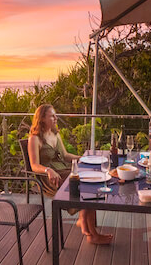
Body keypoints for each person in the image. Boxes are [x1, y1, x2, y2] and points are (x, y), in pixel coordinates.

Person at [28, 104, 113, 245]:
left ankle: (83, 220)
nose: (56, 118)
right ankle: (92, 234)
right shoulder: (35, 139)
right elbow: (34, 165)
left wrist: (84, 158)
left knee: (92, 179)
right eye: (52, 116)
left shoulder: (55, 134)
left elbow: (66, 155)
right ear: (42, 118)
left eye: (55, 115)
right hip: (49, 178)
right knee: (87, 187)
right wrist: (48, 170)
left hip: (64, 171)